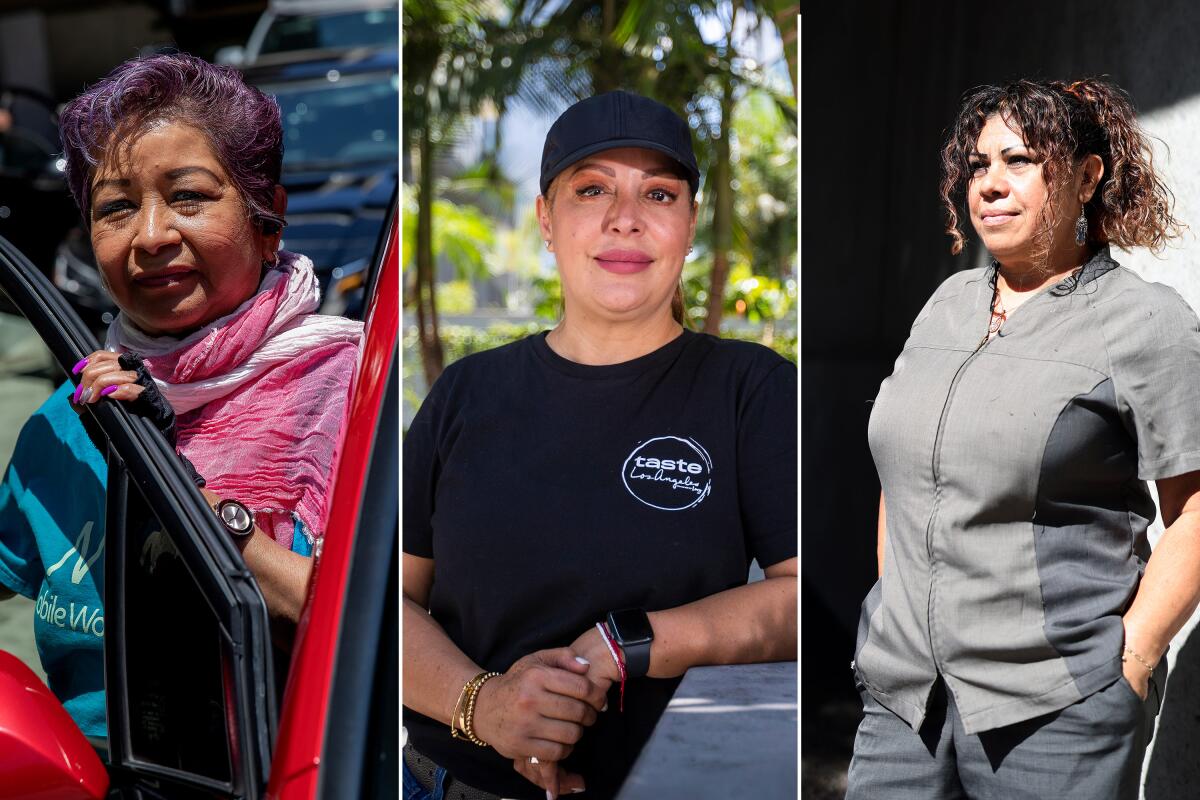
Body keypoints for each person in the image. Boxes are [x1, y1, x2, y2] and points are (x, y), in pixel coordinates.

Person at [402, 90, 797, 800]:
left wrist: (628, 645)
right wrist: (485, 705)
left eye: (658, 193)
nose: (626, 218)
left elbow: (803, 598)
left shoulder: (751, 390)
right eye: (592, 190)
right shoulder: (465, 394)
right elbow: (381, 602)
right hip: (448, 784)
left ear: (689, 222)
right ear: (546, 220)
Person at [847, 77, 1200, 799]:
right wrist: (898, 605)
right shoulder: (946, 304)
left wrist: (1130, 661)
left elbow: (1197, 509)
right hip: (902, 697)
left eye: (1020, 161)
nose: (991, 184)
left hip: (1055, 712)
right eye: (978, 165)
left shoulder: (1146, 322)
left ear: (1087, 176)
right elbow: (904, 470)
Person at [0, 53, 362, 738]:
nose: (151, 236)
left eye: (190, 196)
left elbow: (361, 629)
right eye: (115, 209)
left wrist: (190, 505)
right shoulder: (68, 419)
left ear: (268, 217)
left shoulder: (349, 392)